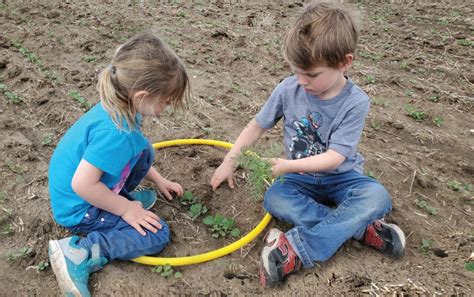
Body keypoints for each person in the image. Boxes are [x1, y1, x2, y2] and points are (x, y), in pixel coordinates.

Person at [210, 1, 406, 287]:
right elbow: (257, 125)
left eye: (312, 74)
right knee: (274, 199)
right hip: (300, 181)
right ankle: (360, 228)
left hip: (344, 179)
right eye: (296, 71)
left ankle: (295, 250)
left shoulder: (355, 102)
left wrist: (288, 164)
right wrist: (229, 161)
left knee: (377, 197)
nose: (302, 81)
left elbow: (336, 157)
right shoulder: (288, 89)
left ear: (345, 62)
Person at [48, 33, 190, 296]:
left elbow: (127, 158)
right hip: (79, 208)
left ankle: (117, 198)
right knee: (157, 234)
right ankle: (78, 253)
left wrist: (159, 180)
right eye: (166, 101)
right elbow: (82, 184)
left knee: (144, 151)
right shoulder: (117, 133)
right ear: (143, 95)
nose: (166, 108)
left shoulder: (119, 107)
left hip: (83, 191)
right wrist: (126, 209)